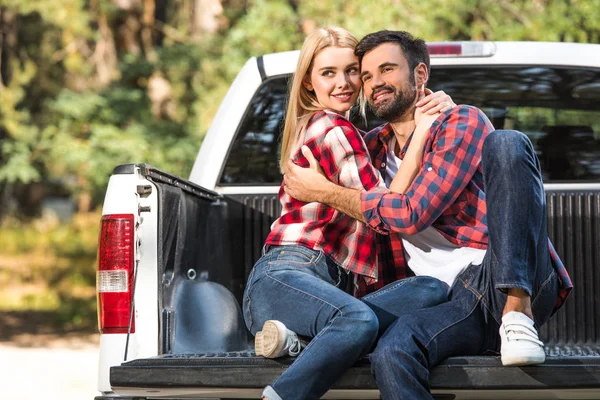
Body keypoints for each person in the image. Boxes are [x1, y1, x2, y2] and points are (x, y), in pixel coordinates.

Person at [283, 30, 573, 400]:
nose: (375, 84)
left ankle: (517, 314)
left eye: (387, 69)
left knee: (507, 142)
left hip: (499, 275)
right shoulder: (367, 149)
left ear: (420, 75)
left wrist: (323, 191)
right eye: (367, 75)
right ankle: (308, 334)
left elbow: (410, 214)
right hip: (446, 299)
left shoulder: (460, 122)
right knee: (392, 352)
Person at [242, 27, 454, 400]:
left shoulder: (359, 136)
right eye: (328, 73)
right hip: (287, 276)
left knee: (430, 289)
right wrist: (421, 135)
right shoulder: (333, 128)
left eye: (352, 71)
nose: (344, 82)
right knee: (358, 319)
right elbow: (385, 206)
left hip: (332, 292)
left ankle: (302, 343)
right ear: (308, 84)